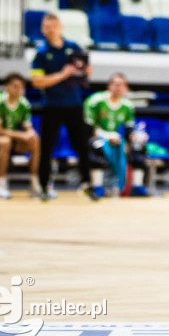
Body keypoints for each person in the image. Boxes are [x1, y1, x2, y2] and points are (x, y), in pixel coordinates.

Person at [31, 13, 97, 201]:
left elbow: (83, 72)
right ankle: (44, 186)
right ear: (43, 30)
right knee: (47, 148)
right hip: (52, 106)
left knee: (82, 147)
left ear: (60, 27)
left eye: (53, 25)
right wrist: (62, 74)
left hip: (74, 105)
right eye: (46, 26)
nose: (50, 29)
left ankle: (87, 184)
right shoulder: (41, 53)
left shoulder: (73, 48)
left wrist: (86, 72)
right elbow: (37, 81)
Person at [83, 73, 147, 197]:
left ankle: (137, 186)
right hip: (97, 136)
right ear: (109, 86)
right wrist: (107, 135)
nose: (118, 88)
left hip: (117, 139)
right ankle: (97, 186)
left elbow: (129, 129)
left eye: (121, 85)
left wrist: (136, 136)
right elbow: (88, 128)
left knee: (138, 146)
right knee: (97, 146)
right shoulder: (95, 101)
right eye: (115, 84)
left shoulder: (127, 105)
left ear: (126, 88)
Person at [0, 73, 40, 199]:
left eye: (22, 87)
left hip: (12, 140)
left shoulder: (24, 103)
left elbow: (29, 129)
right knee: (4, 141)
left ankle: (36, 184)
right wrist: (21, 135)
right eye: (16, 87)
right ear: (6, 87)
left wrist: (31, 134)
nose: (20, 90)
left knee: (35, 140)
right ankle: (0, 185)